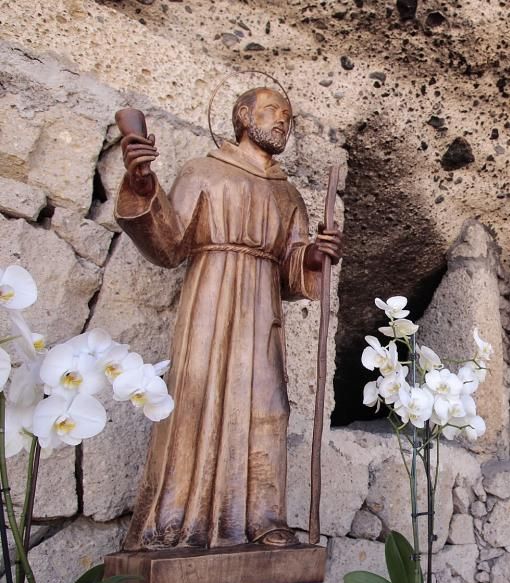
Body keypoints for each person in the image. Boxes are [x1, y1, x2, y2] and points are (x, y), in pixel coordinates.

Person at [114, 87, 343, 549]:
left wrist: (315, 256)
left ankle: (263, 518)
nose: (282, 122)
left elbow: (292, 265)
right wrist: (144, 188)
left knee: (269, 405)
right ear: (242, 115)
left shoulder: (288, 193)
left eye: (288, 117)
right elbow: (168, 243)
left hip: (262, 308)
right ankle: (179, 519)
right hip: (211, 298)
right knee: (197, 396)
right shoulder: (203, 171)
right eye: (272, 111)